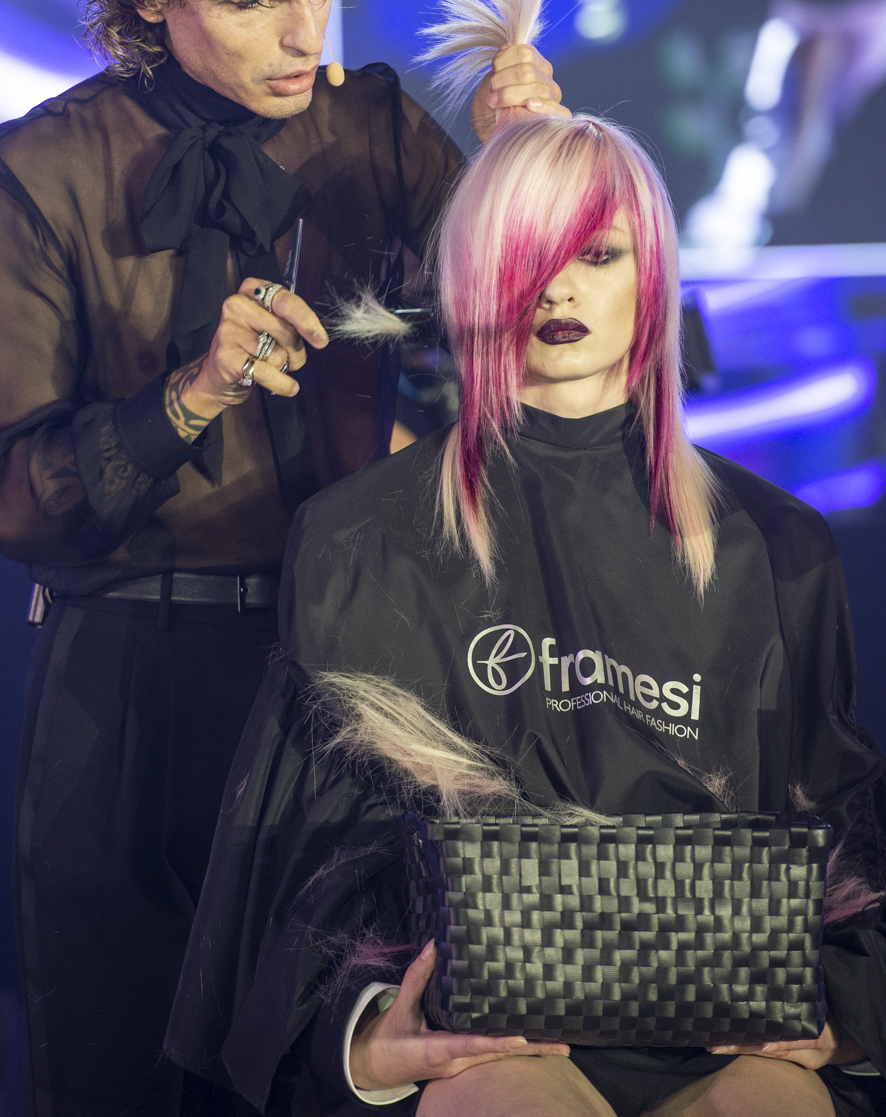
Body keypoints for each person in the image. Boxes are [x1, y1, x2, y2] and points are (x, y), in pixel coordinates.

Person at [0, 0, 566, 1113]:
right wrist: (189, 395)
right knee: (115, 1065)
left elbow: (512, 338)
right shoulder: (44, 170)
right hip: (120, 682)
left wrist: (522, 167)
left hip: (336, 666)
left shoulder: (370, 126)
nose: (306, 27)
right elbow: (15, 494)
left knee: (334, 1061)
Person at [166, 112, 886, 1117]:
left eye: (597, 253)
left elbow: (840, 820)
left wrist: (843, 1011)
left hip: (725, 1034)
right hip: (487, 1037)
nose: (558, 287)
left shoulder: (776, 544)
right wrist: (370, 1037)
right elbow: (308, 860)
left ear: (652, 273)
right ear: (472, 277)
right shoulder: (362, 537)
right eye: (527, 255)